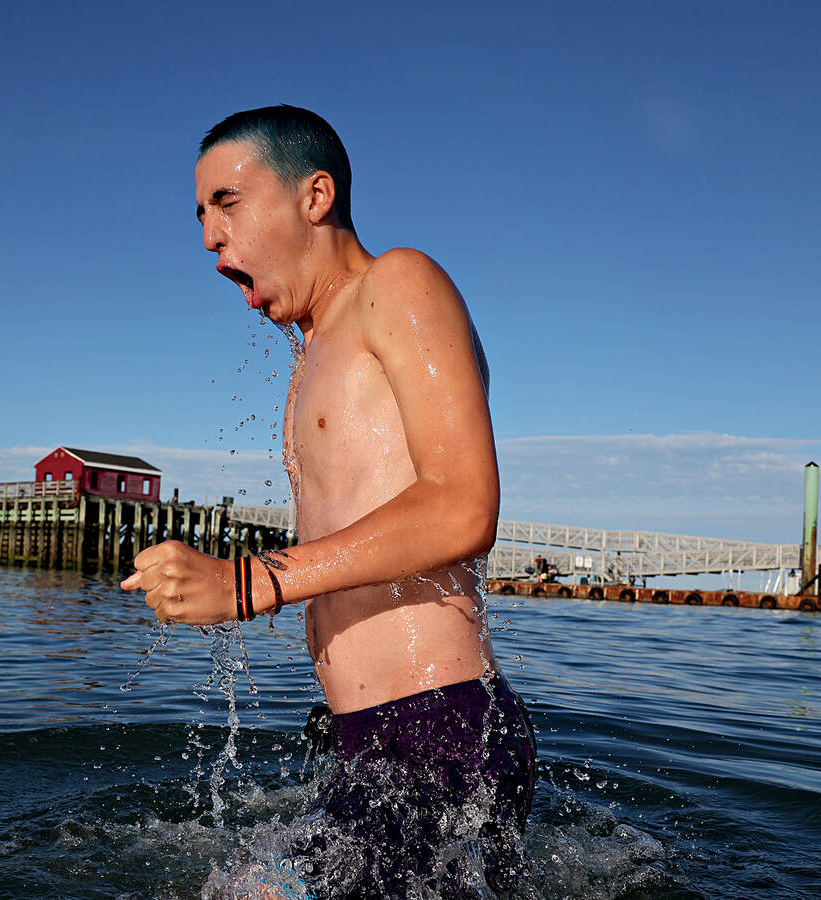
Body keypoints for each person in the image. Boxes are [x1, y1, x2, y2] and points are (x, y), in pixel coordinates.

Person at [121, 105, 534, 897]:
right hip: (366, 739)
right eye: (201, 214)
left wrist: (249, 582)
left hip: (439, 726)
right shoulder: (313, 350)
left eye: (228, 203)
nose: (210, 236)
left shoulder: (399, 283)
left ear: (316, 196)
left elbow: (463, 506)